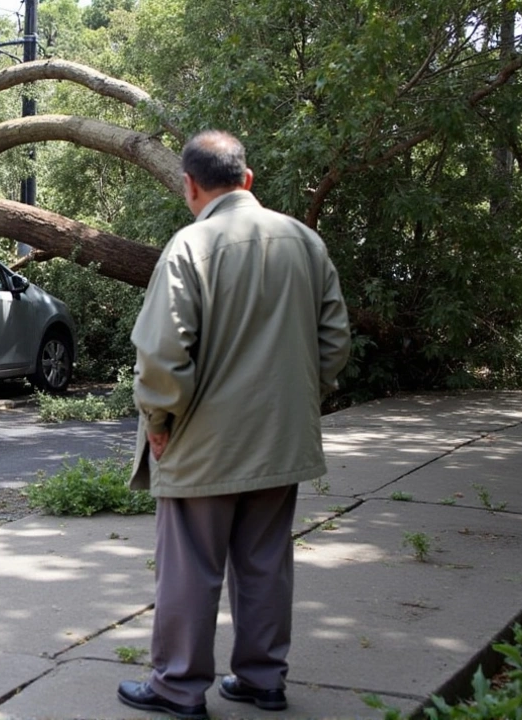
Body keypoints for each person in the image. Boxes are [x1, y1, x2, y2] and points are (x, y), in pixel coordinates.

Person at [117, 131, 351, 720]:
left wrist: (159, 421)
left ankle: (177, 688)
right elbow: (334, 343)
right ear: (247, 179)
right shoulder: (304, 241)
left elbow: (163, 355)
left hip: (205, 440)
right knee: (266, 559)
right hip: (281, 435)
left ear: (190, 186)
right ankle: (262, 679)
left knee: (191, 565)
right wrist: (304, 398)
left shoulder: (190, 247)